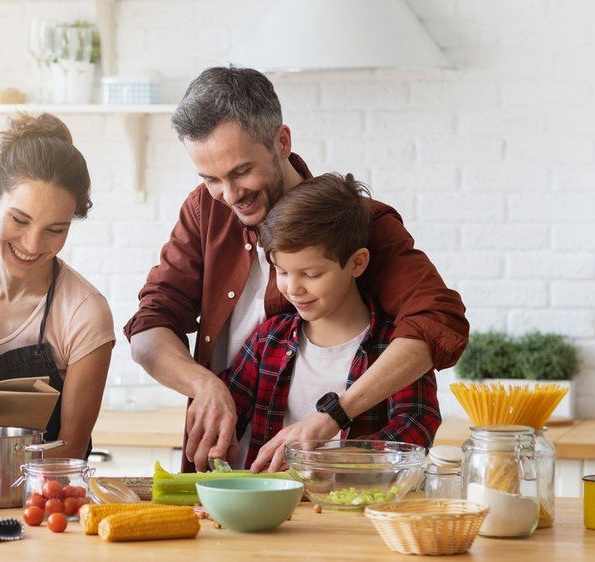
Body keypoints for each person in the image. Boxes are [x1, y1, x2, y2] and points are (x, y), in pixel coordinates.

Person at [123, 66, 468, 472]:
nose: (229, 195)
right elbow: (148, 327)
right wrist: (204, 385)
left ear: (281, 141)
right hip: (235, 476)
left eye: (240, 172)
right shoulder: (205, 209)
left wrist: (332, 419)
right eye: (210, 178)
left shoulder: (357, 223)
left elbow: (438, 320)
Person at [0, 112, 115, 461]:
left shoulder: (84, 312)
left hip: (43, 498)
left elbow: (70, 449)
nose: (31, 243)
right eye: (20, 220)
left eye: (55, 230)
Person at [222, 172, 442, 473]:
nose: (293, 288)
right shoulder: (267, 340)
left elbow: (415, 429)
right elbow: (227, 415)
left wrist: (326, 461)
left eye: (311, 275)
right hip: (270, 510)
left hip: (356, 511)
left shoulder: (396, 348)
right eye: (282, 272)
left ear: (357, 263)